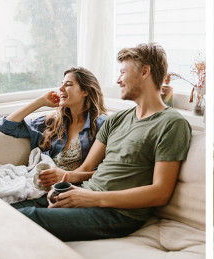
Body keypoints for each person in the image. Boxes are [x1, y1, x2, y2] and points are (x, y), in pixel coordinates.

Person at [11, 43, 192, 242]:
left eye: (123, 72)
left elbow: (160, 192)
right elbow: (86, 166)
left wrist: (89, 198)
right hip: (84, 195)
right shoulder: (117, 119)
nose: (118, 80)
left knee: (25, 220)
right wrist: (65, 182)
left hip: (118, 213)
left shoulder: (171, 123)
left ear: (145, 72)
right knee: (5, 211)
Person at [0, 67, 108, 186]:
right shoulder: (55, 121)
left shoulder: (102, 124)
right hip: (43, 182)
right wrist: (41, 101)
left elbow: (103, 170)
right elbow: (7, 126)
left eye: (68, 84)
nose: (60, 89)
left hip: (72, 187)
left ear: (85, 91)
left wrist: (64, 182)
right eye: (61, 84)